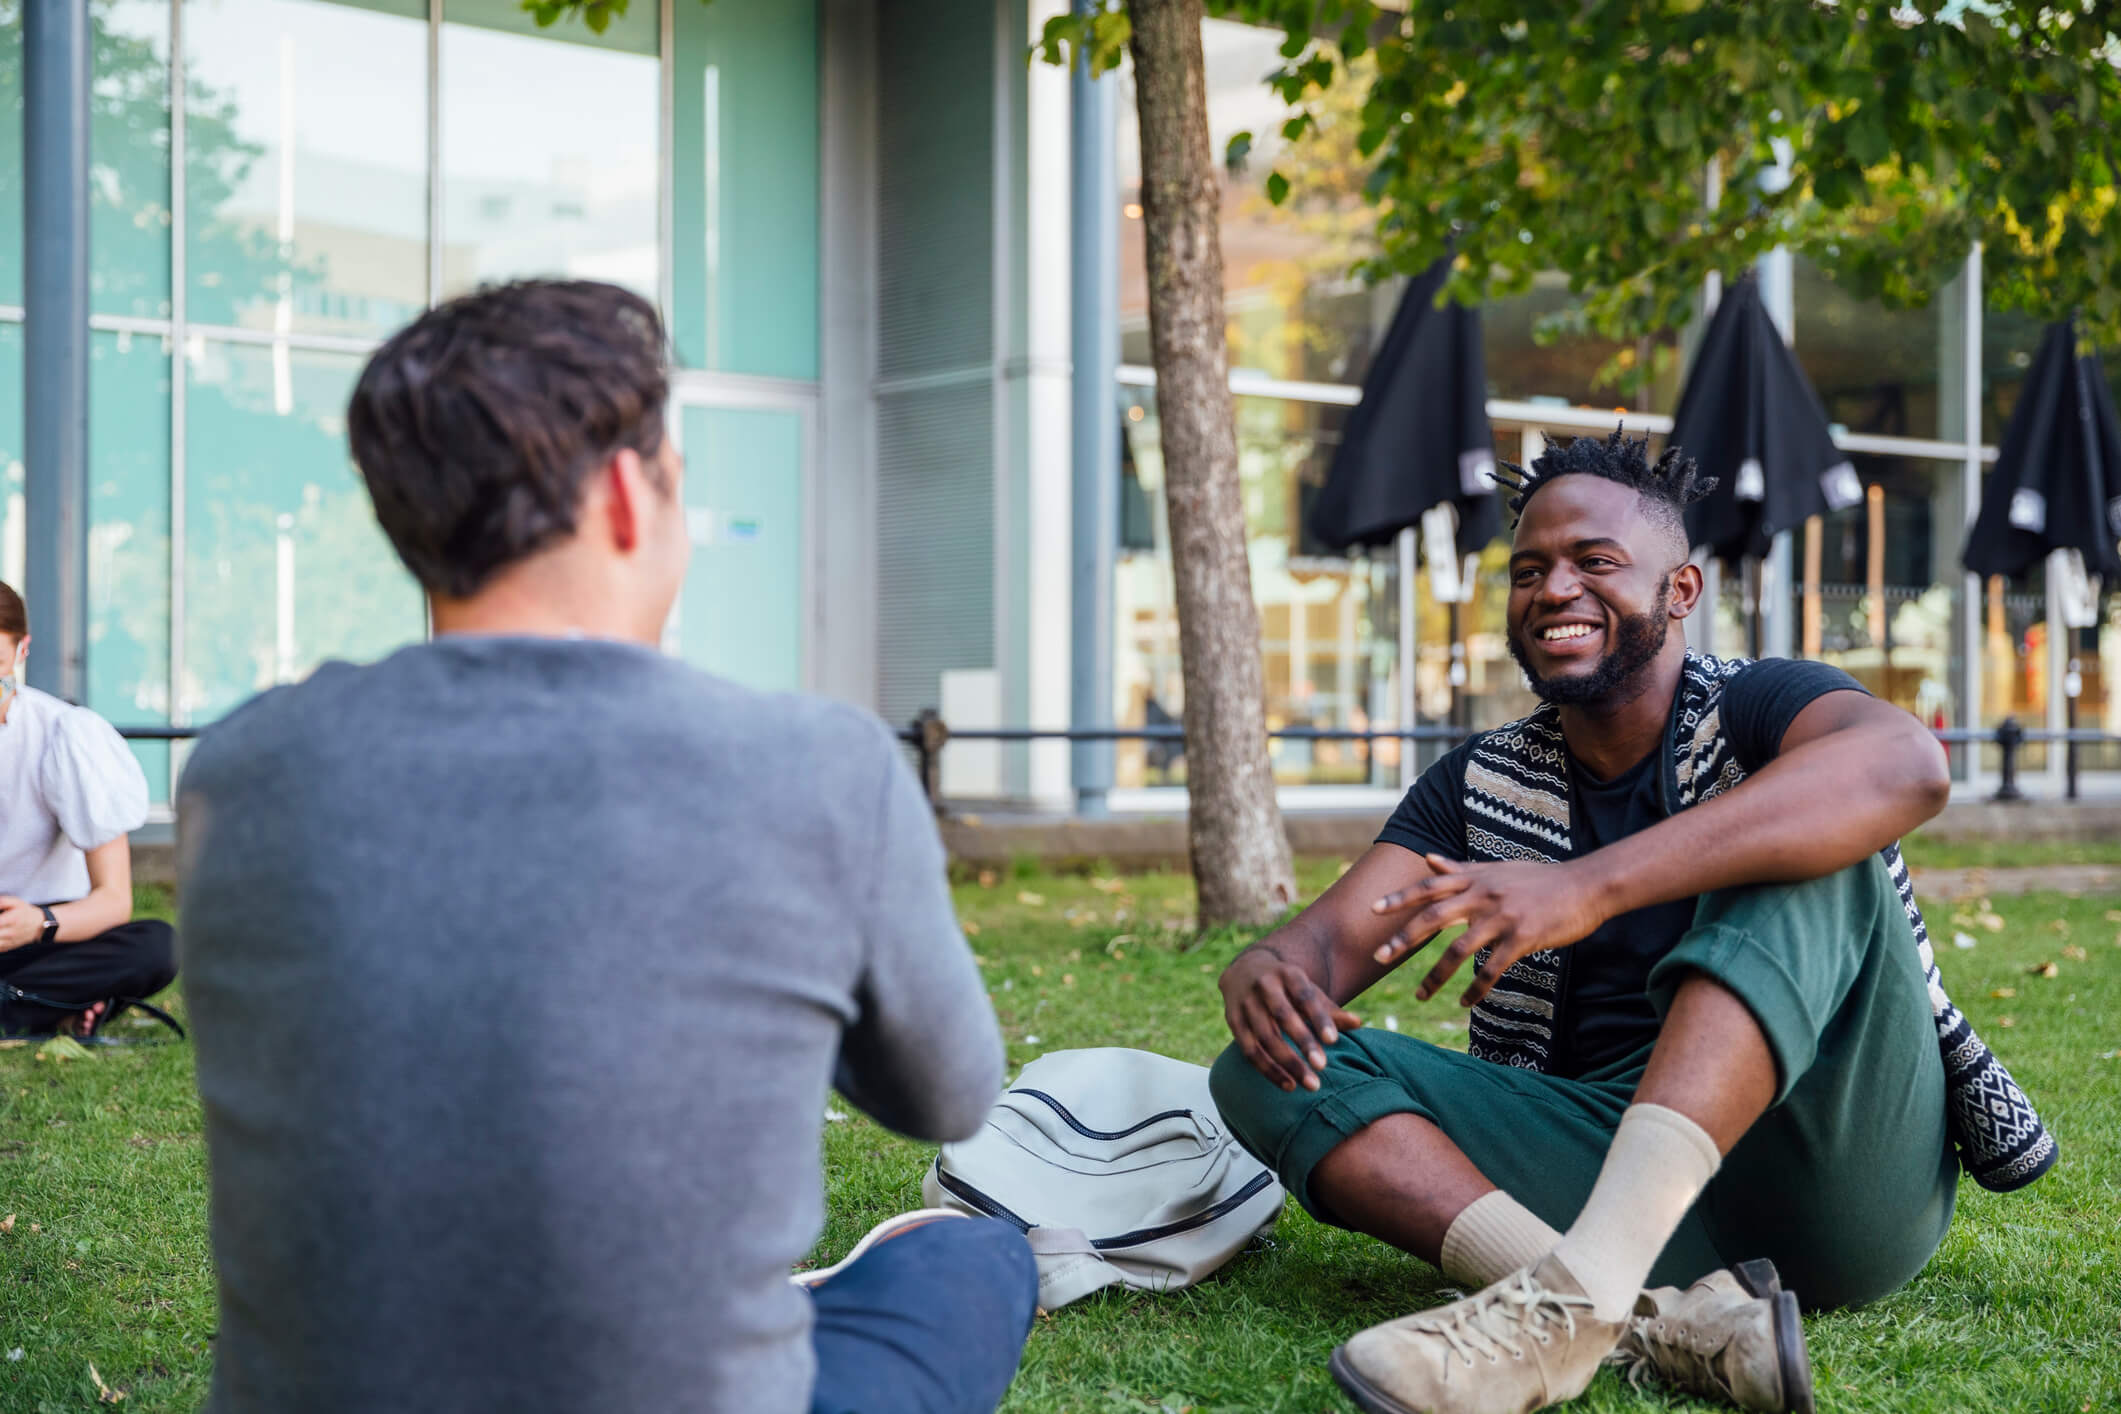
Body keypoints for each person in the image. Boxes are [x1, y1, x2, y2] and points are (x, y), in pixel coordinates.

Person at [177, 280, 1037, 1414]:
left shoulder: (236, 770)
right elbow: (953, 1095)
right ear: (632, 493)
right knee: (971, 1256)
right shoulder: (819, 769)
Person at [1209, 430, 2054, 1414]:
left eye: (1593, 562)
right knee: (1265, 1066)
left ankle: (1584, 1285)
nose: (1553, 587)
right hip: (1608, 1165)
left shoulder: (1759, 706)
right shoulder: (1479, 782)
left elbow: (1906, 768)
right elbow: (1326, 945)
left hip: (1831, 1164)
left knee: (1806, 837)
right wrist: (1271, 966)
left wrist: (1589, 886)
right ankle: (1611, 1308)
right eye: (1529, 569)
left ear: (1681, 591)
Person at [0, 581, 176, 1040]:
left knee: (155, 946)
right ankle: (40, 1009)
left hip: (44, 938)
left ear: (23, 650)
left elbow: (114, 899)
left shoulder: (62, 734)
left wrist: (39, 922)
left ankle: (25, 1003)